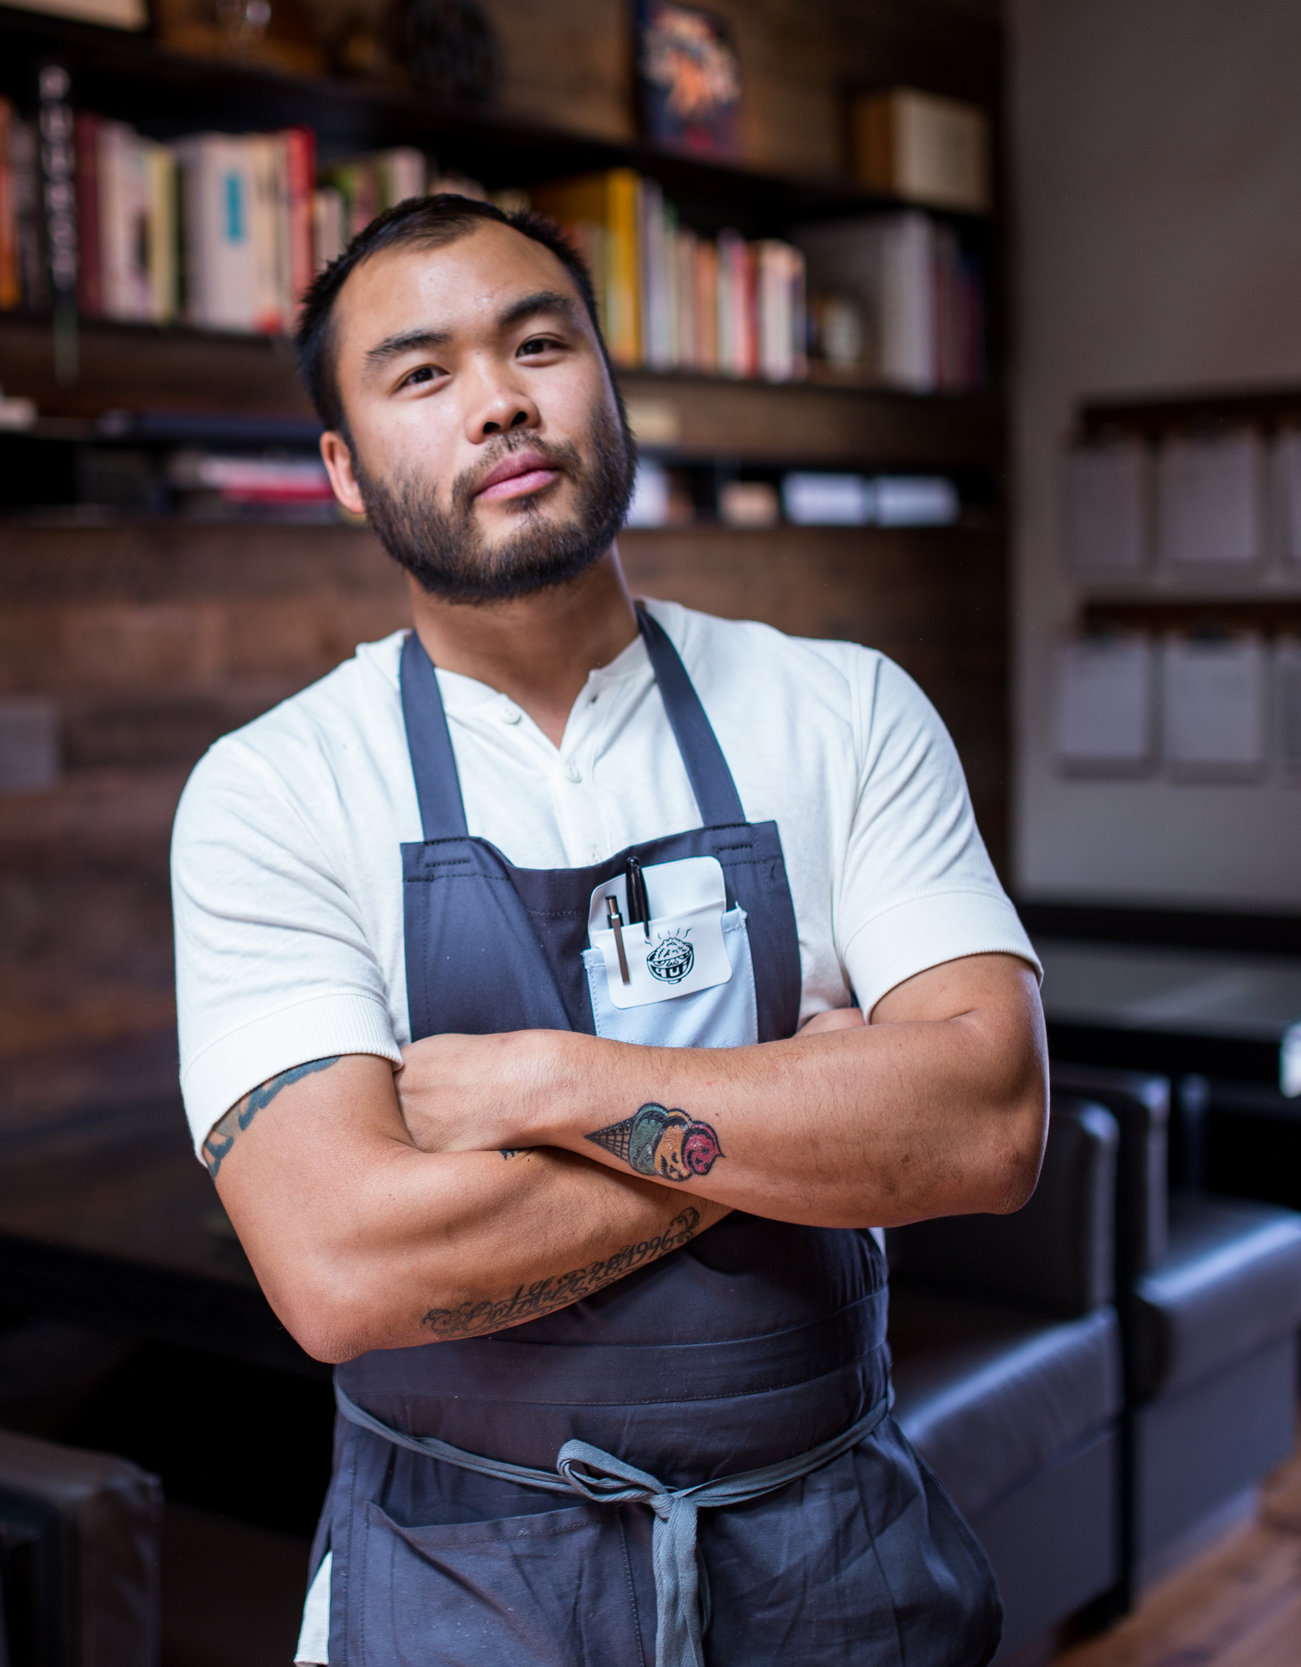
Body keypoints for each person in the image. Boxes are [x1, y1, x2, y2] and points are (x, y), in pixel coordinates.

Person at [170, 193, 1046, 1667]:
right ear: (342, 467)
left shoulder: (843, 710)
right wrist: (812, 1119)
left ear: (607, 383)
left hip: (832, 1565)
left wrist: (551, 1090)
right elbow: (344, 1272)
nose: (502, 401)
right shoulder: (276, 789)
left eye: (539, 343)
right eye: (423, 373)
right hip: (459, 1594)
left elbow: (989, 1125)